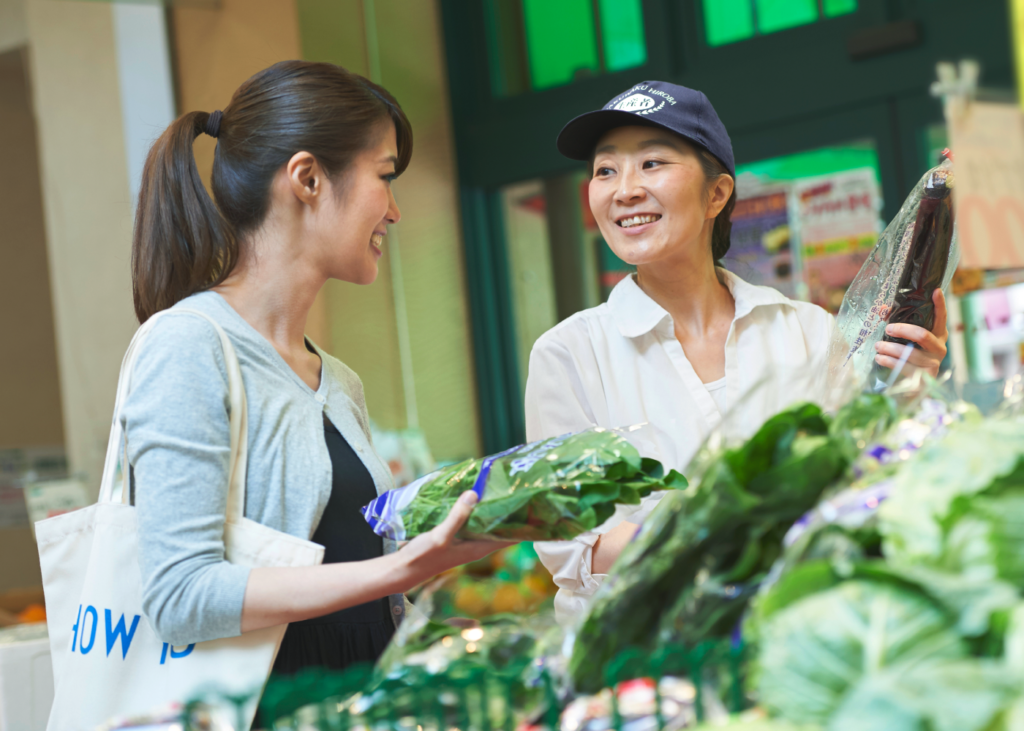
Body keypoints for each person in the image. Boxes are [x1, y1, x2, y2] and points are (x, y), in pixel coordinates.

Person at [123, 60, 507, 676]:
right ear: (306, 178)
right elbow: (180, 597)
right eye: (385, 176)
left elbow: (358, 582)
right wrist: (399, 569)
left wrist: (438, 575)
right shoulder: (187, 344)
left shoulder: (338, 380)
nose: (396, 211)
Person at [525, 81, 948, 624]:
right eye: (605, 170)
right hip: (644, 672)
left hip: (800, 638)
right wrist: (738, 535)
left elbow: (870, 471)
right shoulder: (568, 354)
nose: (623, 190)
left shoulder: (810, 332)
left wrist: (910, 384)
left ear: (716, 194)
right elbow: (570, 542)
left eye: (652, 163)